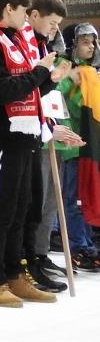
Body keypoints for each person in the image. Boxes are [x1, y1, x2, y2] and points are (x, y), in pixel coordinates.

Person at [0, 0, 68, 308]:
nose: (27, 19)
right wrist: (39, 72)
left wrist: (48, 79)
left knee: (20, 210)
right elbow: (3, 91)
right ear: (9, 9)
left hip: (26, 135)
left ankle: (14, 273)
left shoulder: (16, 42)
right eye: (24, 12)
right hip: (3, 138)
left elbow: (29, 89)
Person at [24, 0, 71, 291]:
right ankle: (26, 259)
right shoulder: (24, 46)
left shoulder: (48, 47)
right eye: (52, 24)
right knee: (32, 205)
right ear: (33, 15)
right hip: (27, 134)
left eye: (58, 26)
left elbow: (48, 92)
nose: (55, 30)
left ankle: (39, 254)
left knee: (50, 201)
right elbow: (23, 90)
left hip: (47, 129)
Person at [56, 23, 100, 272]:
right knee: (71, 200)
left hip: (89, 146)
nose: (90, 46)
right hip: (71, 145)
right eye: (84, 41)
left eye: (92, 42)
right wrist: (69, 79)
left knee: (86, 197)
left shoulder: (90, 71)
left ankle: (88, 243)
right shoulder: (67, 68)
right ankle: (77, 245)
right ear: (73, 44)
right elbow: (63, 100)